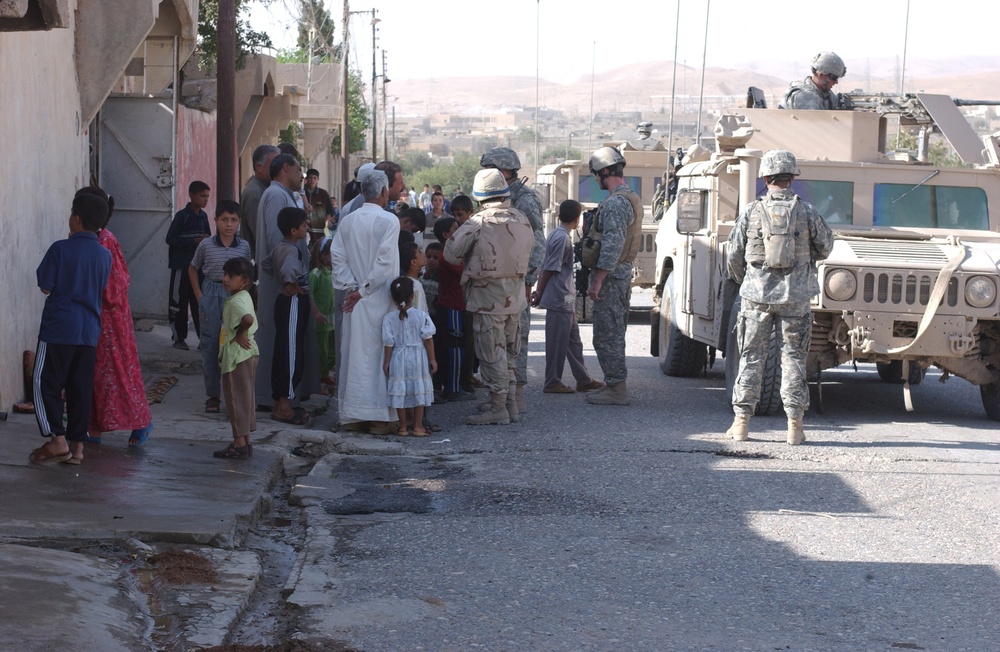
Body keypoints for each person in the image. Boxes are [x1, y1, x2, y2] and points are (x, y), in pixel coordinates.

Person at [725, 149, 834, 445]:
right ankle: (794, 428)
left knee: (751, 358)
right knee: (795, 360)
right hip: (795, 299)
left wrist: (745, 280)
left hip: (756, 298)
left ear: (766, 177)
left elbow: (734, 254)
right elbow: (826, 247)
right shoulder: (807, 211)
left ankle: (741, 424)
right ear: (791, 178)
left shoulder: (751, 211)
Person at [444, 169, 534, 425]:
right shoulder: (522, 218)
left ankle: (498, 409)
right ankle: (511, 404)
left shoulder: (478, 222)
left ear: (479, 197)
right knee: (509, 351)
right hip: (515, 300)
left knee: (491, 353)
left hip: (486, 301)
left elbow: (451, 255)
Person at [29, 193, 111, 465]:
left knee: (44, 383)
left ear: (75, 219)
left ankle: (56, 439)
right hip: (88, 331)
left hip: (58, 329)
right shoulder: (104, 255)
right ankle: (78, 450)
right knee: (79, 388)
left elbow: (45, 286)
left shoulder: (59, 249)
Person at [78, 187, 153, 448]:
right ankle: (94, 429)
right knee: (93, 375)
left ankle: (141, 421)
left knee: (117, 374)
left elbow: (116, 285)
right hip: (94, 319)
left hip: (110, 321)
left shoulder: (106, 241)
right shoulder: (89, 239)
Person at [330, 168, 401, 434]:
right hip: (378, 298)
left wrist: (352, 287)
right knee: (379, 353)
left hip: (355, 299)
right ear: (384, 192)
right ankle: (380, 417)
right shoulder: (389, 221)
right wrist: (363, 289)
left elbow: (337, 256)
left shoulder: (347, 221)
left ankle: (355, 415)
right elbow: (385, 262)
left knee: (357, 353)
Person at [480, 146, 546, 416]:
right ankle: (502, 398)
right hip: (500, 279)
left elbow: (537, 243)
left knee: (517, 339)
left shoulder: (524, 199)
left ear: (504, 171)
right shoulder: (499, 195)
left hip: (517, 280)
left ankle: (514, 398)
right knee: (499, 341)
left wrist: (528, 280)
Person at [255, 153, 320, 410]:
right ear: (285, 168)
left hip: (289, 286)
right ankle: (278, 400)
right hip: (284, 289)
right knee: (282, 344)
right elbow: (277, 245)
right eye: (298, 170)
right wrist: (291, 281)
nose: (302, 176)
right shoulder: (275, 195)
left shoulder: (283, 195)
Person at [584, 146, 643, 406]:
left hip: (611, 278)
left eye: (597, 173)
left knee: (608, 334)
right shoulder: (626, 197)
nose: (596, 178)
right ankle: (612, 384)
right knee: (611, 332)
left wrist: (598, 279)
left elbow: (612, 245)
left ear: (606, 171)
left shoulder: (617, 203)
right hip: (616, 276)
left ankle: (617, 388)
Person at [531, 199, 604, 395]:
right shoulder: (561, 238)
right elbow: (549, 269)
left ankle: (583, 379)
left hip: (566, 299)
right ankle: (552, 381)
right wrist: (539, 292)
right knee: (557, 343)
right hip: (559, 298)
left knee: (573, 343)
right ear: (578, 219)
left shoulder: (558, 234)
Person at [190, 200, 253, 414]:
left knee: (234, 344)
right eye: (224, 219)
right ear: (215, 221)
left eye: (233, 220)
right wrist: (200, 296)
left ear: (239, 223)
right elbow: (193, 268)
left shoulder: (244, 246)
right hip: (211, 293)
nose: (229, 224)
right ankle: (213, 396)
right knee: (210, 344)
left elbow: (247, 275)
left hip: (234, 297)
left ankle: (233, 395)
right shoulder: (206, 245)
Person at [262, 207, 313, 425]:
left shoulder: (280, 247)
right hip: (292, 302)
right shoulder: (292, 251)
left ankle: (278, 403)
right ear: (294, 230)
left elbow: (266, 265)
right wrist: (296, 285)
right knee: (291, 354)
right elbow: (289, 272)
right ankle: (285, 405)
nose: (306, 228)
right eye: (304, 225)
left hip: (282, 302)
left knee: (282, 350)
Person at [214, 256, 259, 460]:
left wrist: (239, 333)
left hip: (236, 358)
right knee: (245, 398)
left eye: (231, 276)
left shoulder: (237, 301)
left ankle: (239, 443)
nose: (225, 279)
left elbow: (247, 319)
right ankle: (246, 440)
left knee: (235, 400)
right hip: (248, 354)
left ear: (244, 281)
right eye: (224, 274)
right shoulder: (244, 296)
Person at [382, 276, 437, 436]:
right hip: (418, 358)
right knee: (418, 389)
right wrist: (432, 359)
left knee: (401, 390)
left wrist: (387, 361)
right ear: (413, 296)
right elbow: (428, 339)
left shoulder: (388, 318)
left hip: (398, 358)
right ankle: (418, 426)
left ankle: (403, 426)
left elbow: (388, 342)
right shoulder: (422, 316)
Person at [165, 180, 211, 350]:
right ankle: (179, 338)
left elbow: (208, 238)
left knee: (199, 302)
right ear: (192, 195)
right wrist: (193, 242)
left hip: (198, 268)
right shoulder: (182, 216)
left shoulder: (203, 216)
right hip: (181, 267)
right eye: (202, 196)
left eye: (207, 196)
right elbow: (170, 239)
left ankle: (203, 339)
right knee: (179, 302)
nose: (205, 200)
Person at [240, 144, 280, 258]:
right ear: (259, 167)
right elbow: (261, 234)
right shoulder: (254, 192)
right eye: (274, 164)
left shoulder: (268, 188)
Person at [310, 237, 337, 390]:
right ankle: (319, 379)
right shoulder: (316, 274)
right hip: (320, 322)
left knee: (332, 352)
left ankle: (324, 373)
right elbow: (310, 294)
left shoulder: (330, 273)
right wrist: (316, 312)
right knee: (322, 353)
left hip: (331, 321)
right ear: (323, 255)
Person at [780, 51, 847, 110]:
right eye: (834, 78)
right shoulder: (805, 96)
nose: (836, 82)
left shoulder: (826, 94)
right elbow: (817, 123)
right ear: (821, 75)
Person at [304, 168, 335, 245]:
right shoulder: (302, 193)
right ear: (307, 179)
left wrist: (326, 224)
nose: (312, 180)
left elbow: (329, 211)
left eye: (315, 178)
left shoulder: (323, 194)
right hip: (305, 230)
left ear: (318, 179)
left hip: (320, 231)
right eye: (310, 178)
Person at [422, 241, 442, 315]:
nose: (431, 260)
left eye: (435, 257)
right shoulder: (421, 278)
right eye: (428, 256)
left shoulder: (442, 280)